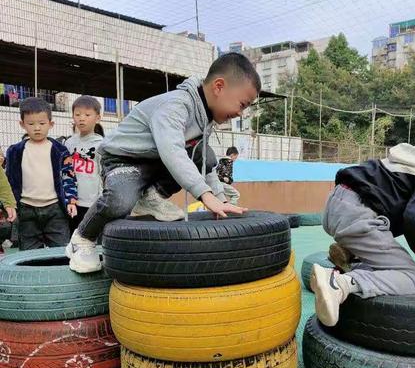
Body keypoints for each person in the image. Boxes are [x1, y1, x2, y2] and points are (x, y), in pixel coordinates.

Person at [66, 52, 260, 273]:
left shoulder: (204, 114)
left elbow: (202, 160)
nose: (240, 113)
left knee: (205, 154)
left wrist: (221, 199)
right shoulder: (176, 106)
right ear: (219, 87)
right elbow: (173, 153)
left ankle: (152, 196)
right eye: (242, 104)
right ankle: (81, 239)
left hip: (153, 160)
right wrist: (206, 196)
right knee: (121, 201)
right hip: (122, 159)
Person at [311, 122, 415, 327]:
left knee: (394, 217)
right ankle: (338, 283)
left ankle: (350, 252)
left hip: (338, 203)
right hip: (359, 216)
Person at [5, 97, 77, 250]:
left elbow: (68, 175)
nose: (37, 128)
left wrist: (71, 200)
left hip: (55, 209)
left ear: (51, 124)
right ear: (22, 124)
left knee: (61, 251)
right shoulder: (14, 151)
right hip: (26, 210)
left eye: (42, 123)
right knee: (29, 255)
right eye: (31, 124)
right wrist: (9, 205)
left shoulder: (60, 150)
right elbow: (9, 181)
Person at [64, 96, 104, 234]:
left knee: (90, 239)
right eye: (77, 114)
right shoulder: (69, 143)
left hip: (92, 202)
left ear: (97, 118)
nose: (82, 118)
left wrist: (101, 200)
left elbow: (103, 174)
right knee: (72, 239)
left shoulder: (102, 144)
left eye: (87, 115)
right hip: (72, 202)